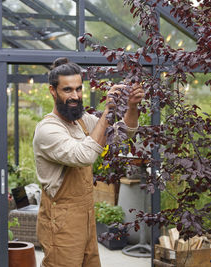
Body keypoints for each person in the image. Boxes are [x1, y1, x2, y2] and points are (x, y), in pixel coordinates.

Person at [33, 57, 144, 267]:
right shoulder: (48, 129)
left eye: (78, 89)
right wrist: (108, 111)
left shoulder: (82, 121)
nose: (75, 96)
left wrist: (131, 107)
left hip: (86, 215)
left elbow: (122, 134)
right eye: (67, 90)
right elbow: (83, 156)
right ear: (53, 91)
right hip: (61, 220)